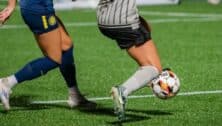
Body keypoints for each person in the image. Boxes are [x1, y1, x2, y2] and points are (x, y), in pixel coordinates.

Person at [0, 0, 95, 111]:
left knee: (66, 46)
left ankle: (75, 95)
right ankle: (7, 83)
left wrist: (11, 5)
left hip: (40, 7)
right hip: (38, 9)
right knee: (54, 59)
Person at [97, 0, 163, 120]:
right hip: (123, 20)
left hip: (103, 19)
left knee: (145, 28)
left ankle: (146, 76)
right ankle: (123, 91)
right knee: (154, 68)